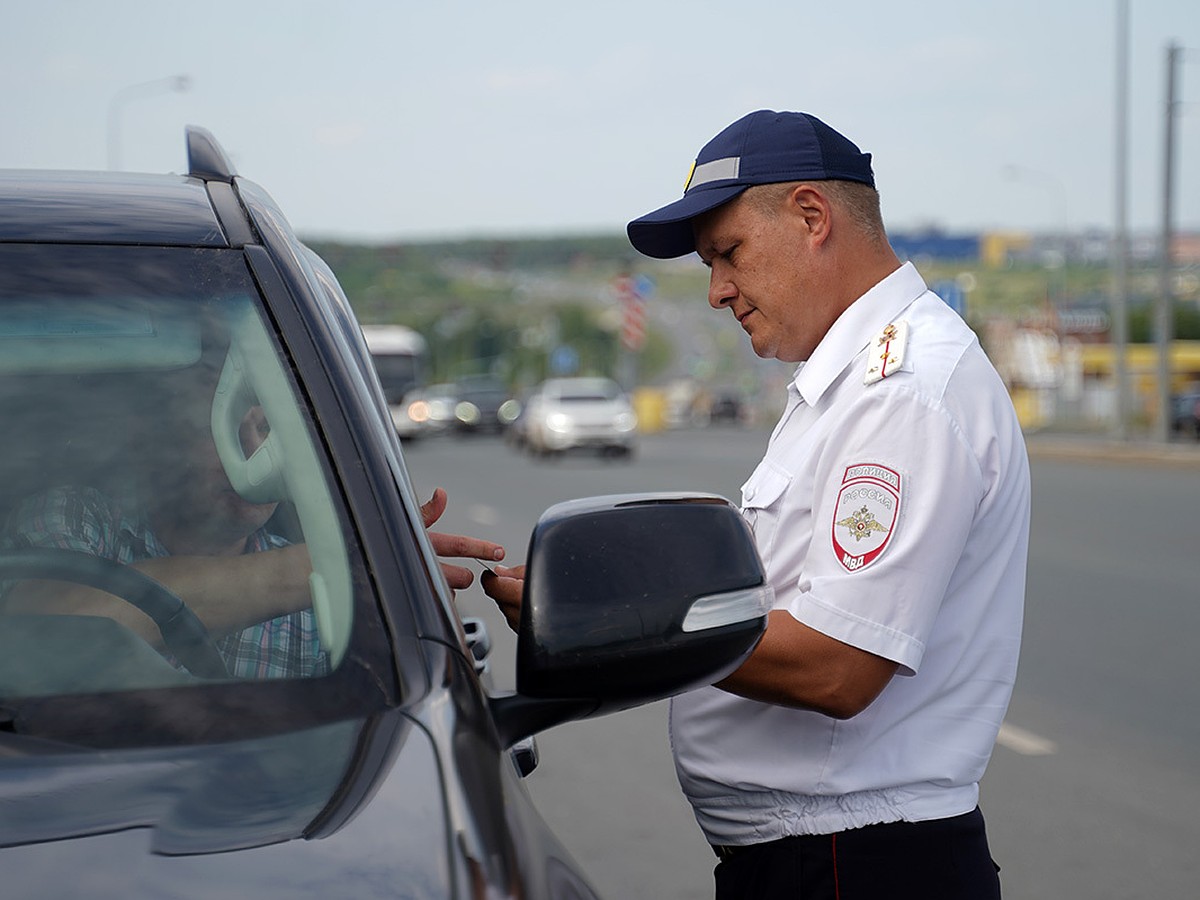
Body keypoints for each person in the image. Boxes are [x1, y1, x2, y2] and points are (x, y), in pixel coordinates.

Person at [485, 109, 1030, 899]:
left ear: (811, 216)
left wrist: (608, 618)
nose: (716, 292)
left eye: (728, 254)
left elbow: (837, 667)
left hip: (855, 864)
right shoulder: (845, 386)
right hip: (824, 858)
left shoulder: (901, 391)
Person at [1, 357, 503, 680]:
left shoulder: (332, 612)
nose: (250, 452)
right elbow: (43, 634)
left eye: (264, 427)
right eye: (213, 427)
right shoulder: (79, 517)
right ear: (150, 444)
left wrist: (427, 615)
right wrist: (338, 565)